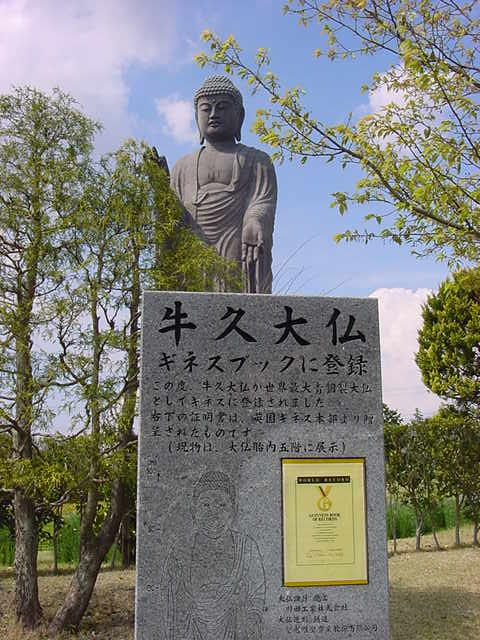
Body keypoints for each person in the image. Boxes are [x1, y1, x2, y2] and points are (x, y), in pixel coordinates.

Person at [170, 75, 277, 293]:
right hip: (194, 248)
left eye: (222, 107)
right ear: (196, 116)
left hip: (236, 243)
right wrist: (161, 192)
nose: (213, 114)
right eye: (206, 109)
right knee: (192, 294)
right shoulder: (182, 167)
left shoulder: (257, 161)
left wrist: (255, 219)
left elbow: (262, 200)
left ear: (240, 116)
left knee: (235, 291)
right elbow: (174, 218)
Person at [162, 470, 265, 639]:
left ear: (233, 510)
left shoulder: (246, 547)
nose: (213, 513)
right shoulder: (180, 551)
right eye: (206, 505)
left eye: (222, 505)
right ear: (193, 510)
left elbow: (257, 598)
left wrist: (247, 614)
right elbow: (169, 603)